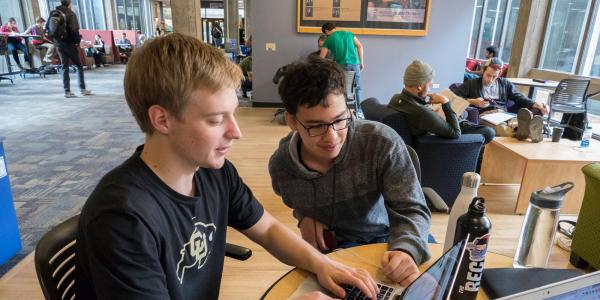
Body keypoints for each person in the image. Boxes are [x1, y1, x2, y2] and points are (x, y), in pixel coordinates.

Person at [76, 33, 379, 300]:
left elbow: (269, 229)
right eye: (215, 119)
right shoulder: (122, 217)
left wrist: (323, 264)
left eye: (233, 114)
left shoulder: (214, 172)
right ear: (162, 119)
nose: (236, 132)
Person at [269, 58, 431, 287]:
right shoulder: (282, 167)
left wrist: (407, 249)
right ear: (291, 121)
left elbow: (412, 208)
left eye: (340, 120)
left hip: (394, 236)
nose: (333, 137)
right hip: (337, 250)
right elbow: (297, 202)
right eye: (316, 126)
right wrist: (304, 216)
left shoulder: (381, 142)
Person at [388, 60, 495, 144]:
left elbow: (416, 113)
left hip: (433, 127)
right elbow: (455, 133)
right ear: (420, 86)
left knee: (465, 114)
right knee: (489, 132)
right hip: (443, 140)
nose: (429, 89)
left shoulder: (396, 98)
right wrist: (445, 102)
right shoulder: (422, 113)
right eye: (429, 85)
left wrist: (426, 106)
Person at [455, 57, 548, 119]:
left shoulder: (504, 83)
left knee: (538, 110)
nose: (490, 79)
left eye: (494, 76)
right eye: (488, 75)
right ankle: (520, 128)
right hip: (486, 115)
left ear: (499, 74)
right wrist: (472, 101)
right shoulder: (472, 84)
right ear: (483, 71)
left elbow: (518, 96)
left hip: (504, 114)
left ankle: (519, 126)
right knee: (505, 125)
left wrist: (536, 104)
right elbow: (454, 98)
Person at [47, 0, 92, 98]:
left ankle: (67, 91)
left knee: (64, 67)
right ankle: (83, 89)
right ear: (69, 3)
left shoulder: (54, 12)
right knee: (79, 66)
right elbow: (74, 29)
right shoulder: (70, 13)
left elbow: (48, 29)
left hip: (58, 44)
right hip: (69, 44)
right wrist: (77, 41)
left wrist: (56, 41)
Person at [320, 22, 365, 118]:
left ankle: (341, 112)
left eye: (325, 33)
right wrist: (361, 62)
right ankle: (359, 111)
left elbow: (321, 58)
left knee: (340, 89)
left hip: (342, 66)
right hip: (355, 64)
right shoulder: (349, 34)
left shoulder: (329, 39)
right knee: (356, 88)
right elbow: (360, 46)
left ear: (327, 31)